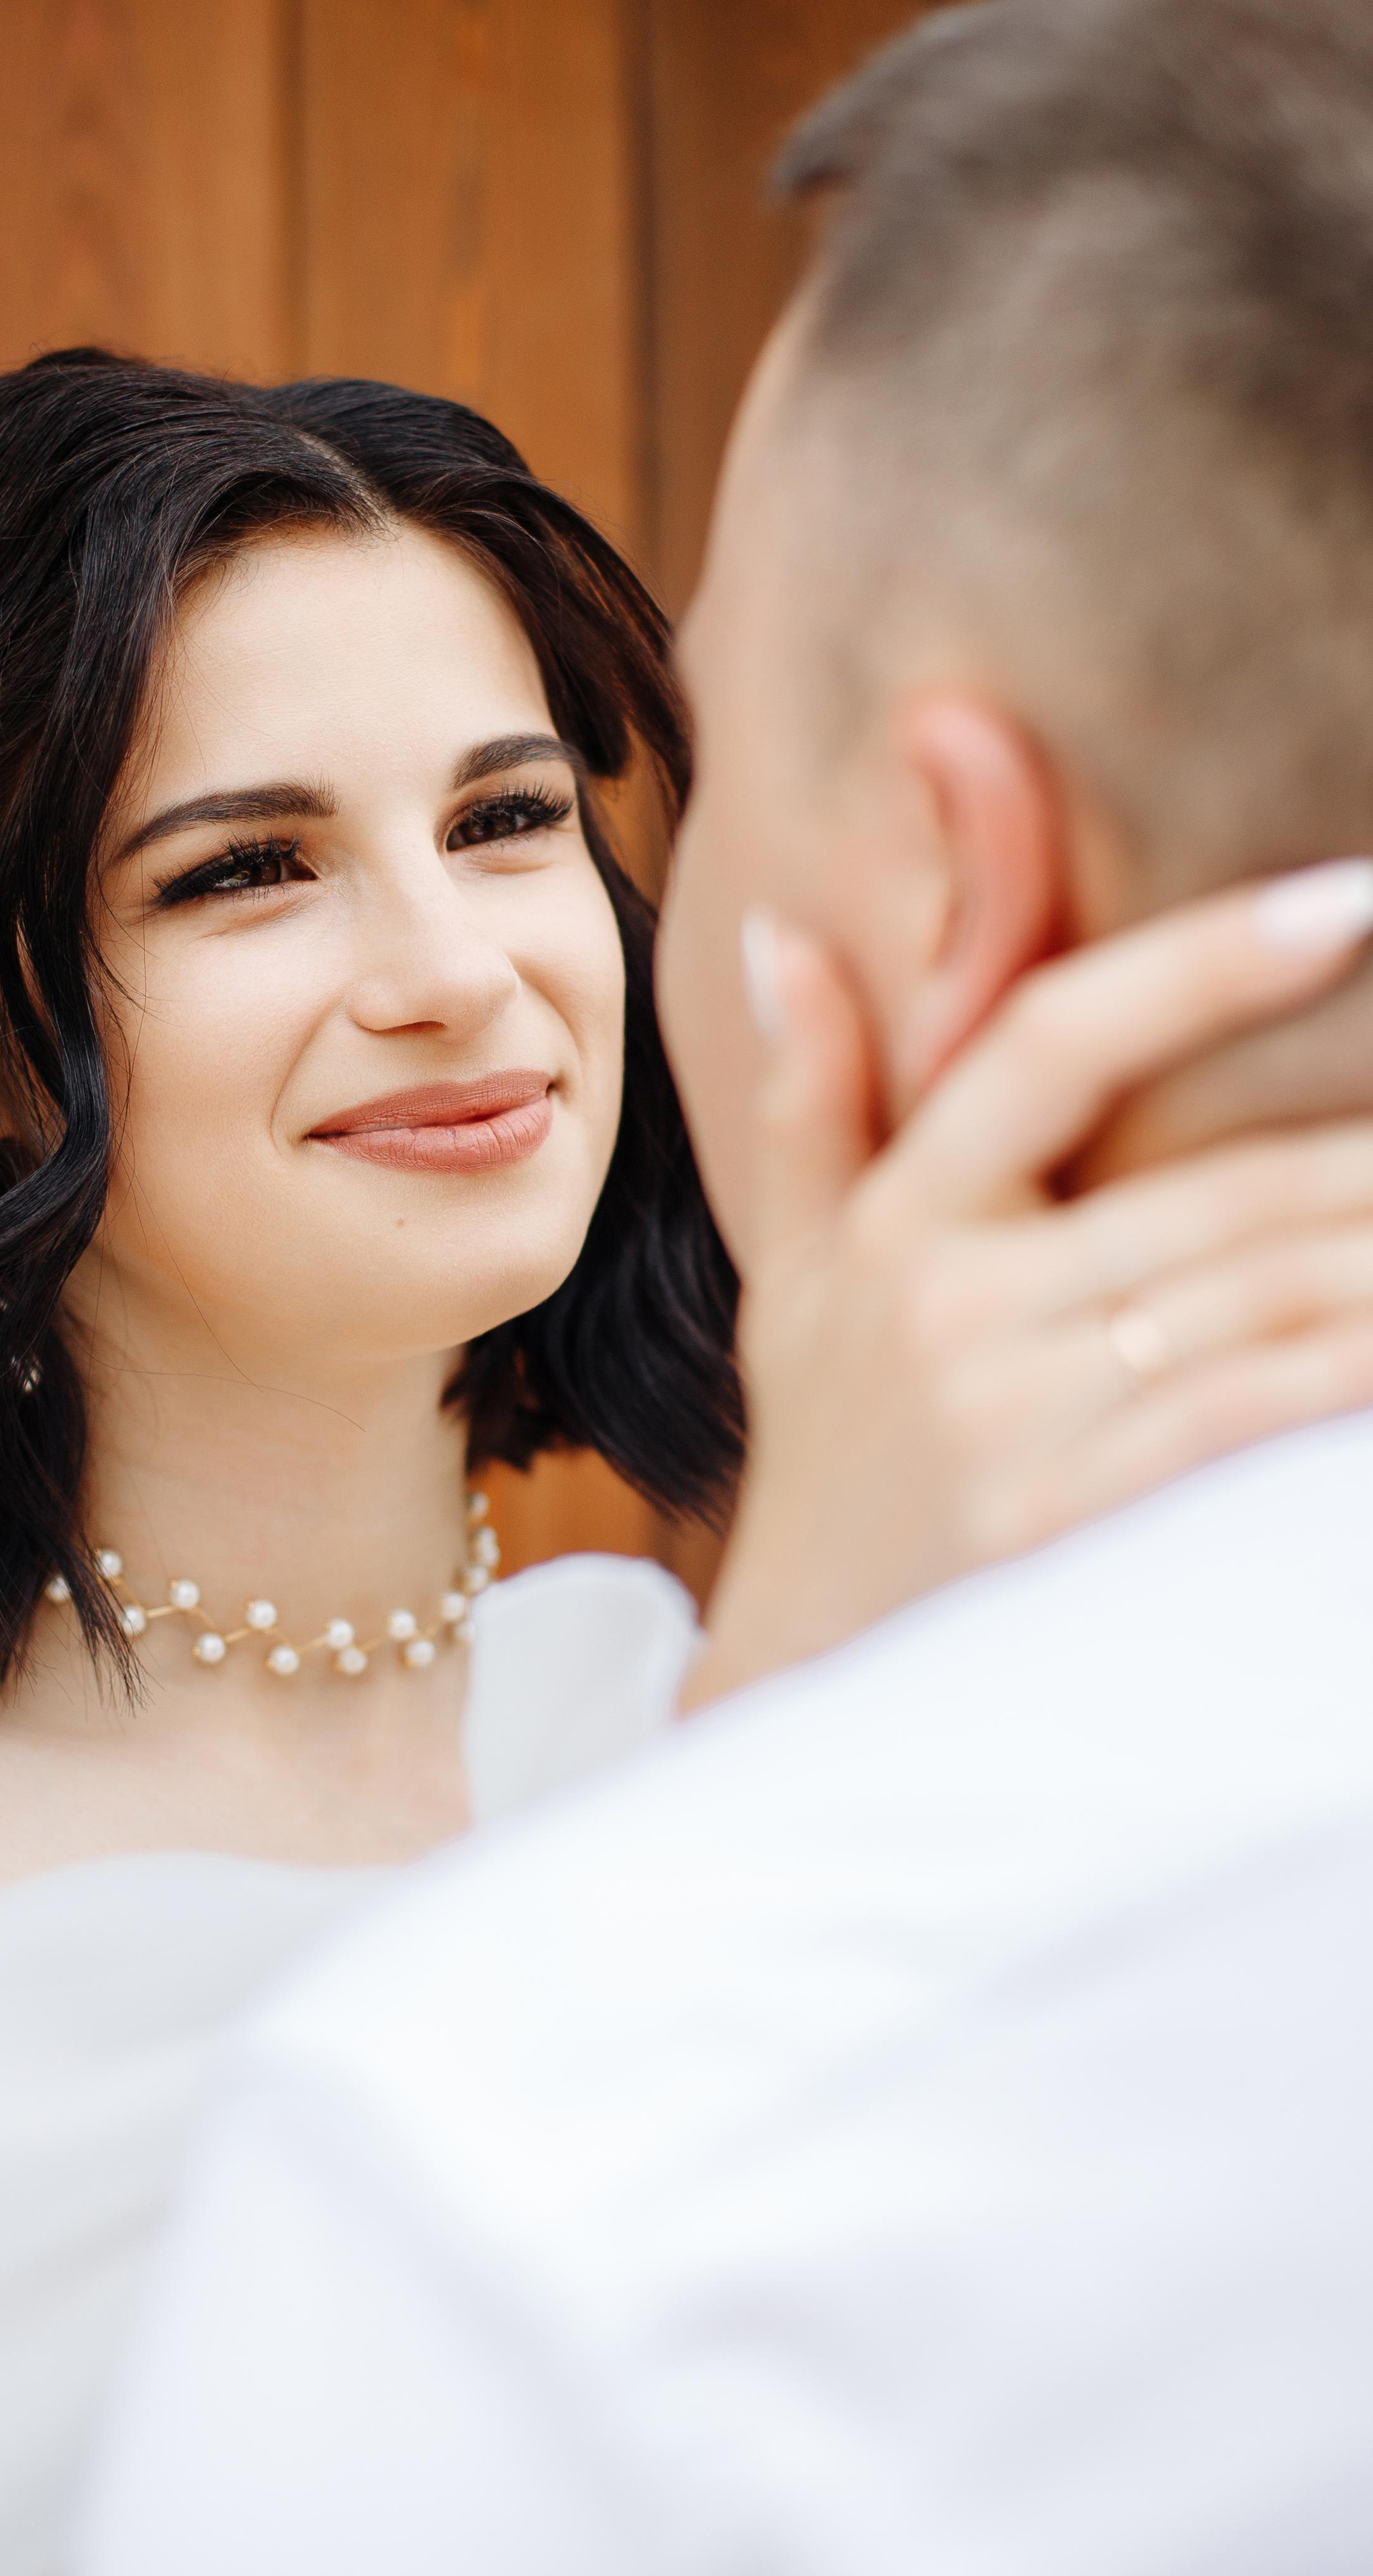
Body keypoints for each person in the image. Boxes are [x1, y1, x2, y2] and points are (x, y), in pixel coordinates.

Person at [77, 5, 1373, 2570]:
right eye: (247, 865)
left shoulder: (530, 2168)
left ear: (942, 875)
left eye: (533, 811)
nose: (464, 970)